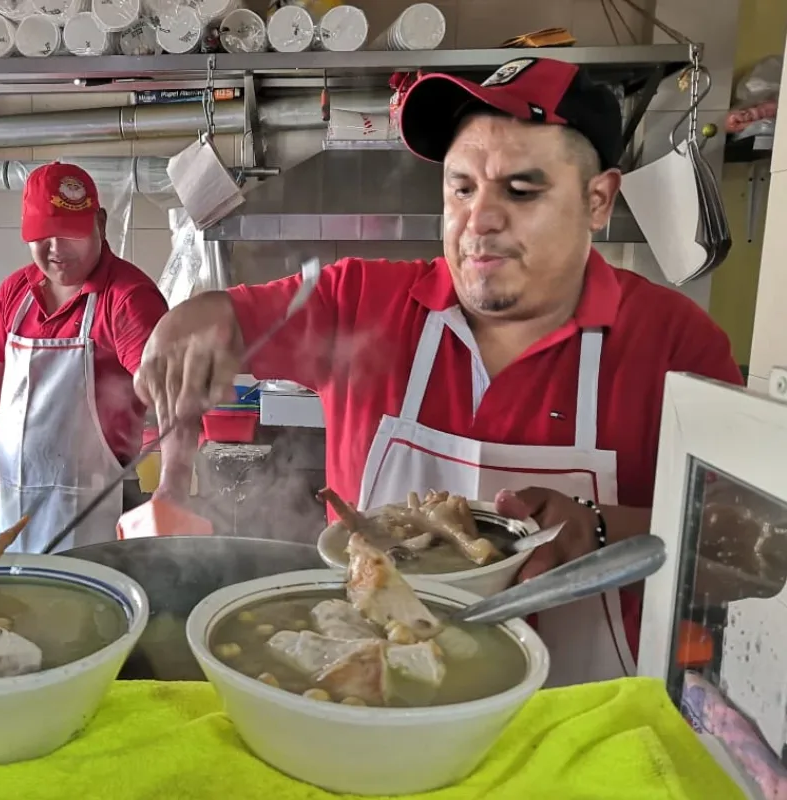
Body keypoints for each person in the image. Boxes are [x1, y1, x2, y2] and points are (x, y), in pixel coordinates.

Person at [134, 57, 744, 687]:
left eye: (521, 190)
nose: (479, 220)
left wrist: (599, 528)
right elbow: (224, 321)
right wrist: (188, 323)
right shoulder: (358, 303)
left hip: (580, 718)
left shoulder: (673, 342)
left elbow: (755, 551)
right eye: (462, 189)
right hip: (369, 699)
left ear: (598, 200)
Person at [0, 162, 173, 553]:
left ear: (100, 223)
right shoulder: (16, 292)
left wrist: (172, 488)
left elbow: (169, 397)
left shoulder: (127, 298)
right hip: (15, 509)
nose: (56, 250)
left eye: (70, 233)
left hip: (96, 510)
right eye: (42, 235)